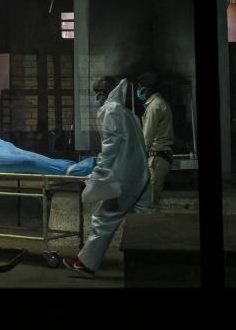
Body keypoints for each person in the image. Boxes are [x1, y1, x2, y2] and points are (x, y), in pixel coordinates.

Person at [63, 78, 151, 277]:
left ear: (104, 93)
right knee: (144, 220)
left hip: (124, 178)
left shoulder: (110, 110)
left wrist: (100, 173)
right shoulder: (128, 113)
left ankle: (86, 264)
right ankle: (147, 266)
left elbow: (110, 147)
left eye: (98, 93)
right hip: (142, 176)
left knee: (104, 218)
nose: (97, 98)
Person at [137, 72, 174, 207]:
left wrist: (137, 157)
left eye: (139, 88)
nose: (138, 91)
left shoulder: (154, 107)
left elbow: (147, 137)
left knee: (151, 202)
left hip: (157, 158)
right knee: (151, 199)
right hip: (159, 157)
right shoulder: (159, 103)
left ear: (145, 89)